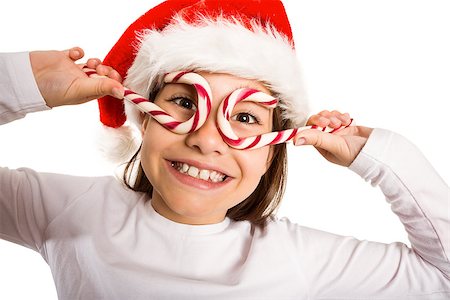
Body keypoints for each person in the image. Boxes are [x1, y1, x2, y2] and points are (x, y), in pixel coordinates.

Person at [1, 0, 449, 299]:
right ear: (143, 117)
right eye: (183, 102)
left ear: (272, 151)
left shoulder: (300, 259)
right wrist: (23, 84)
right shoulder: (67, 210)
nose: (207, 139)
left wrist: (374, 155)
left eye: (245, 117)